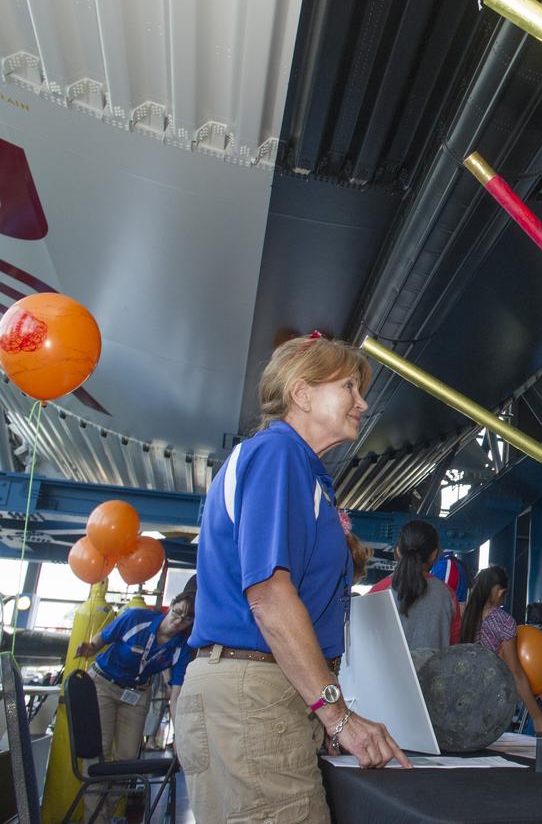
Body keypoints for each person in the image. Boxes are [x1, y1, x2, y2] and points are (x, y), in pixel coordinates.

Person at [179, 334, 409, 824]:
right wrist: (337, 714)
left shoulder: (298, 468)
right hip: (254, 687)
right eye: (350, 386)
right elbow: (269, 595)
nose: (363, 402)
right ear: (302, 394)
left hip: (263, 687)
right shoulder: (279, 453)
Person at [76, 589, 196, 808]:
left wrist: (179, 734)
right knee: (98, 751)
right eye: (177, 612)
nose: (179, 621)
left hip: (137, 694)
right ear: (171, 605)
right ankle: (96, 820)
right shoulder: (136, 618)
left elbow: (176, 695)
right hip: (104, 684)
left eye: (187, 618)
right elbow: (100, 640)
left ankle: (110, 811)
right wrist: (87, 648)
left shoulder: (182, 648)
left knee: (128, 757)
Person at [459, 566, 542, 736]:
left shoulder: (462, 613)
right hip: (491, 705)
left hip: (461, 700)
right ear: (501, 592)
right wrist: (538, 716)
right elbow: (515, 672)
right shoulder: (504, 622)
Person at [389, 520, 457, 659]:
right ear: (434, 554)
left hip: (385, 680)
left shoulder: (378, 590)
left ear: (398, 550)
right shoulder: (447, 595)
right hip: (433, 679)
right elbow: (454, 645)